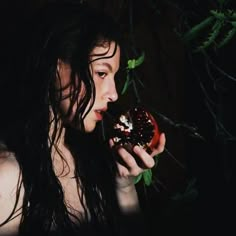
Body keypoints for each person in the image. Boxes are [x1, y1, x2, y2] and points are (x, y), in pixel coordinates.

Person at [0, 1, 166, 235]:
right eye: (101, 73)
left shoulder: (91, 159)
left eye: (114, 76)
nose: (114, 93)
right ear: (55, 69)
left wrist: (124, 183)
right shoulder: (7, 177)